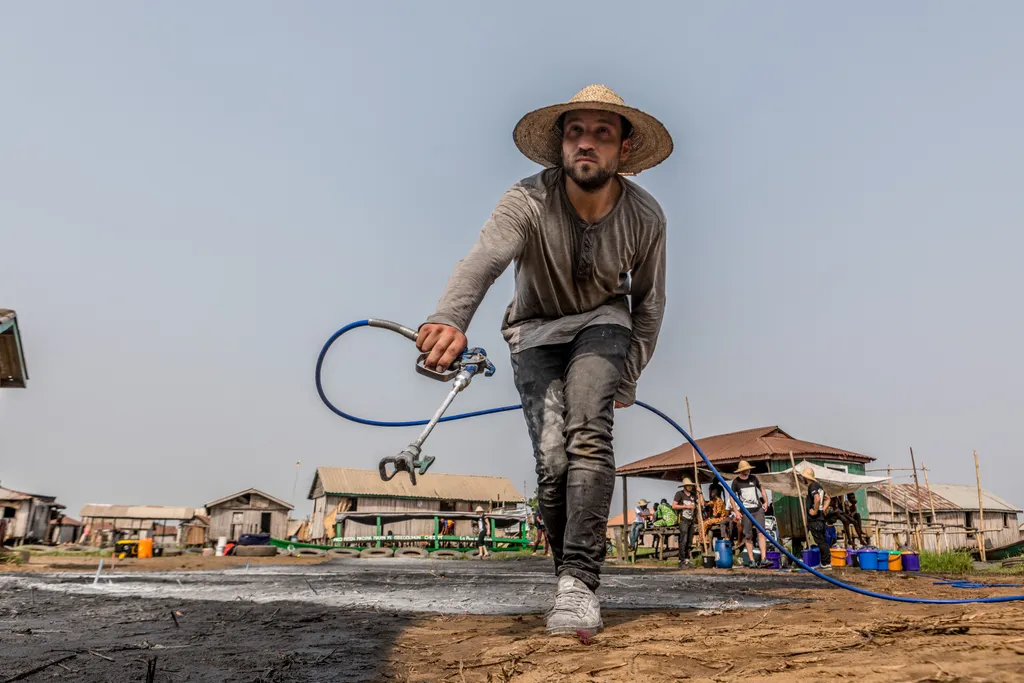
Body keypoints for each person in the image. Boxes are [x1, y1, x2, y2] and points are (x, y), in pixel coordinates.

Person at [416, 85, 672, 636]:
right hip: (533, 332)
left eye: (602, 133)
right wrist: (450, 317)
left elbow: (649, 302)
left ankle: (581, 583)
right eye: (575, 131)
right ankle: (566, 575)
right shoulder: (526, 200)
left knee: (588, 433)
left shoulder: (646, 217)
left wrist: (628, 374)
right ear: (560, 144)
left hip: (605, 323)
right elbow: (485, 257)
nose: (586, 143)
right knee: (553, 462)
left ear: (623, 150)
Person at [730, 460, 770, 568]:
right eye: (746, 469)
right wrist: (736, 511)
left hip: (758, 510)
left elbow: (762, 489)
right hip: (746, 511)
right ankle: (751, 560)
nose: (748, 470)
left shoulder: (753, 478)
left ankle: (763, 558)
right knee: (748, 536)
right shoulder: (736, 482)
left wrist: (766, 502)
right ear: (741, 470)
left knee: (761, 533)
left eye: (749, 469)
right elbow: (732, 497)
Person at [800, 468, 831, 571]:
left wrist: (815, 511)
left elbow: (817, 498)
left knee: (820, 541)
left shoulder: (812, 486)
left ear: (806, 477)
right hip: (820, 518)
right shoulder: (819, 486)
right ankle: (824, 562)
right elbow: (828, 498)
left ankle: (826, 563)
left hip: (815, 519)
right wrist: (823, 509)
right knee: (822, 540)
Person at [672, 478, 698, 567]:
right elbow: (674, 506)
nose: (690, 487)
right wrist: (686, 506)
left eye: (691, 485)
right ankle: (681, 560)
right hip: (683, 519)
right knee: (684, 540)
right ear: (685, 486)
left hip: (691, 520)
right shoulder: (679, 494)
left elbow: (701, 503)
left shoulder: (694, 495)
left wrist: (700, 492)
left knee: (690, 541)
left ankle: (687, 559)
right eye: (688, 485)